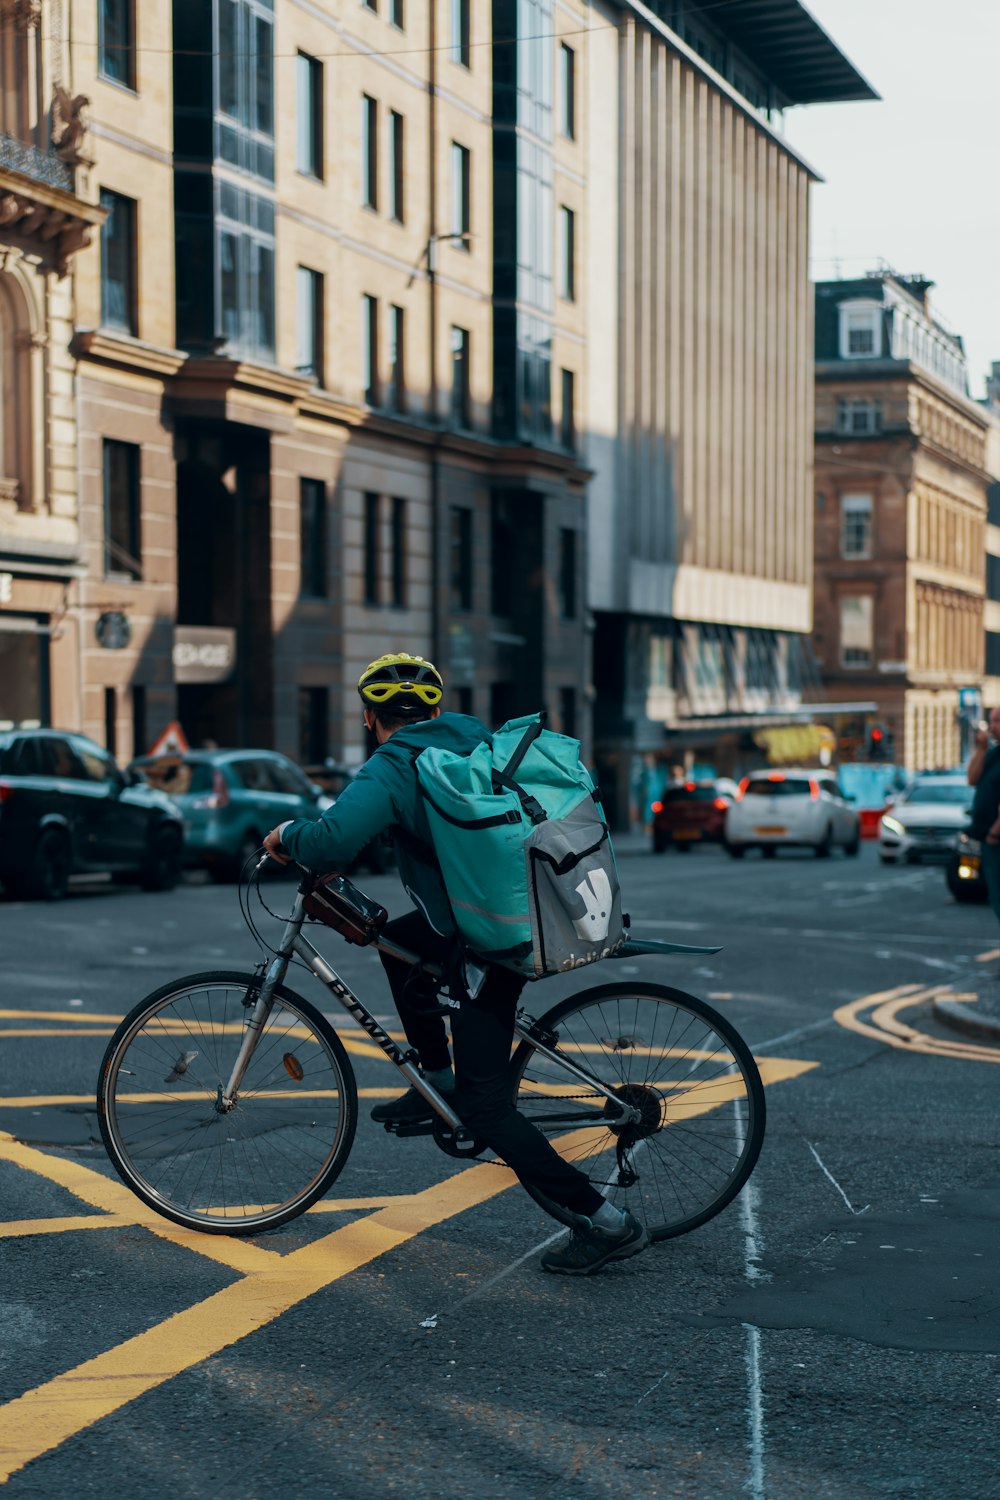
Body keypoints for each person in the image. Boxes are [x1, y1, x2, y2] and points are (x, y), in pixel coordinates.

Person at [263, 652, 648, 1276]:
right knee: (393, 943)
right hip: (498, 916)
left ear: (369, 717)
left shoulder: (394, 763)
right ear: (436, 709)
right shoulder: (473, 738)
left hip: (487, 942)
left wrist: (285, 836)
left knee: (487, 1107)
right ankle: (434, 1079)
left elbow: (333, 839)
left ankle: (606, 1223)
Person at [967, 706, 1000, 933]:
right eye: (991, 722)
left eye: (997, 722)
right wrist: (980, 748)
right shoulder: (993, 753)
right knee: (996, 896)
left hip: (996, 839)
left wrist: (994, 833)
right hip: (990, 839)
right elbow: (972, 778)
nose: (991, 728)